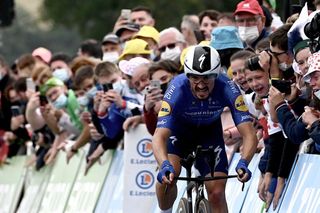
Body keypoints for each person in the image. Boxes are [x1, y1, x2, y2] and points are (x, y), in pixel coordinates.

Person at [152, 45, 258, 212]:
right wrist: (164, 165)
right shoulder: (177, 88)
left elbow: (249, 133)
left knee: (216, 194)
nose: (201, 84)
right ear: (187, 76)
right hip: (179, 132)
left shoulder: (227, 87)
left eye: (207, 77)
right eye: (195, 78)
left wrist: (244, 162)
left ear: (216, 75)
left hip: (210, 134)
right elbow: (159, 136)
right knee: (169, 178)